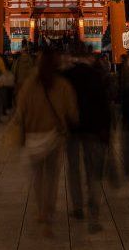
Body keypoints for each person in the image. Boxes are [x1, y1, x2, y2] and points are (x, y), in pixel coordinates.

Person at [10, 48, 78, 237]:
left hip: (33, 136)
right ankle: (49, 211)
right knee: (52, 176)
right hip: (54, 137)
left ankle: (41, 211)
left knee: (38, 178)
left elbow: (20, 109)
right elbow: (72, 111)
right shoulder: (62, 84)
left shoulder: (30, 84)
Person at [62, 49, 112, 232]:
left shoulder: (66, 75)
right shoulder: (96, 75)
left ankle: (77, 207)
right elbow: (104, 103)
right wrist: (107, 129)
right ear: (88, 57)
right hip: (94, 128)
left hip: (73, 129)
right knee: (92, 171)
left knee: (74, 169)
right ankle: (94, 214)